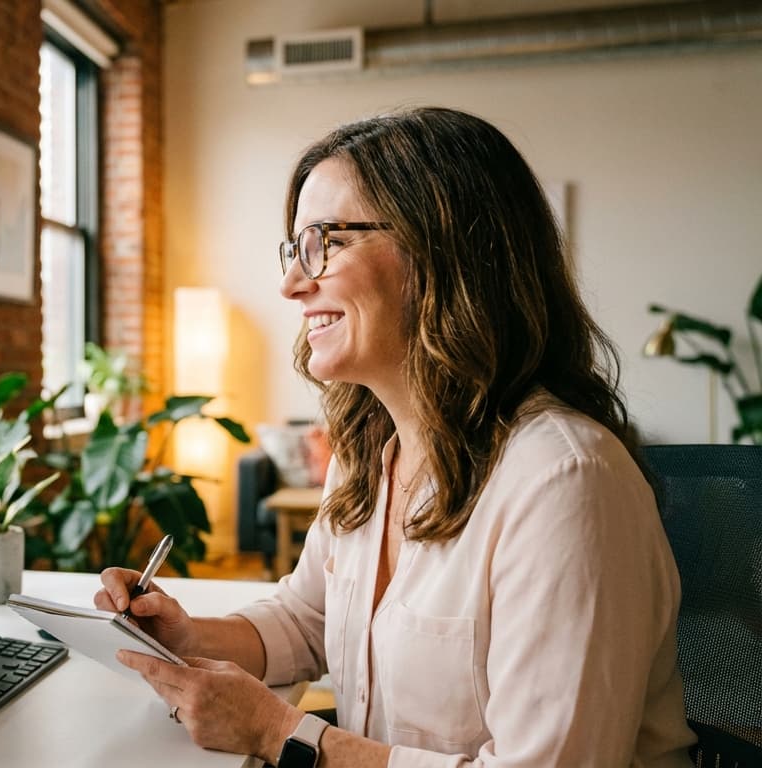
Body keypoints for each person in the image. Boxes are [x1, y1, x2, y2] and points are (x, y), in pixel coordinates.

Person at [96, 107, 695, 767]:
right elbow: (308, 621)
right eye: (293, 250)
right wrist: (188, 635)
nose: (291, 284)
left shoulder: (565, 483)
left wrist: (279, 735)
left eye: (323, 241)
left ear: (442, 250)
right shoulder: (367, 456)